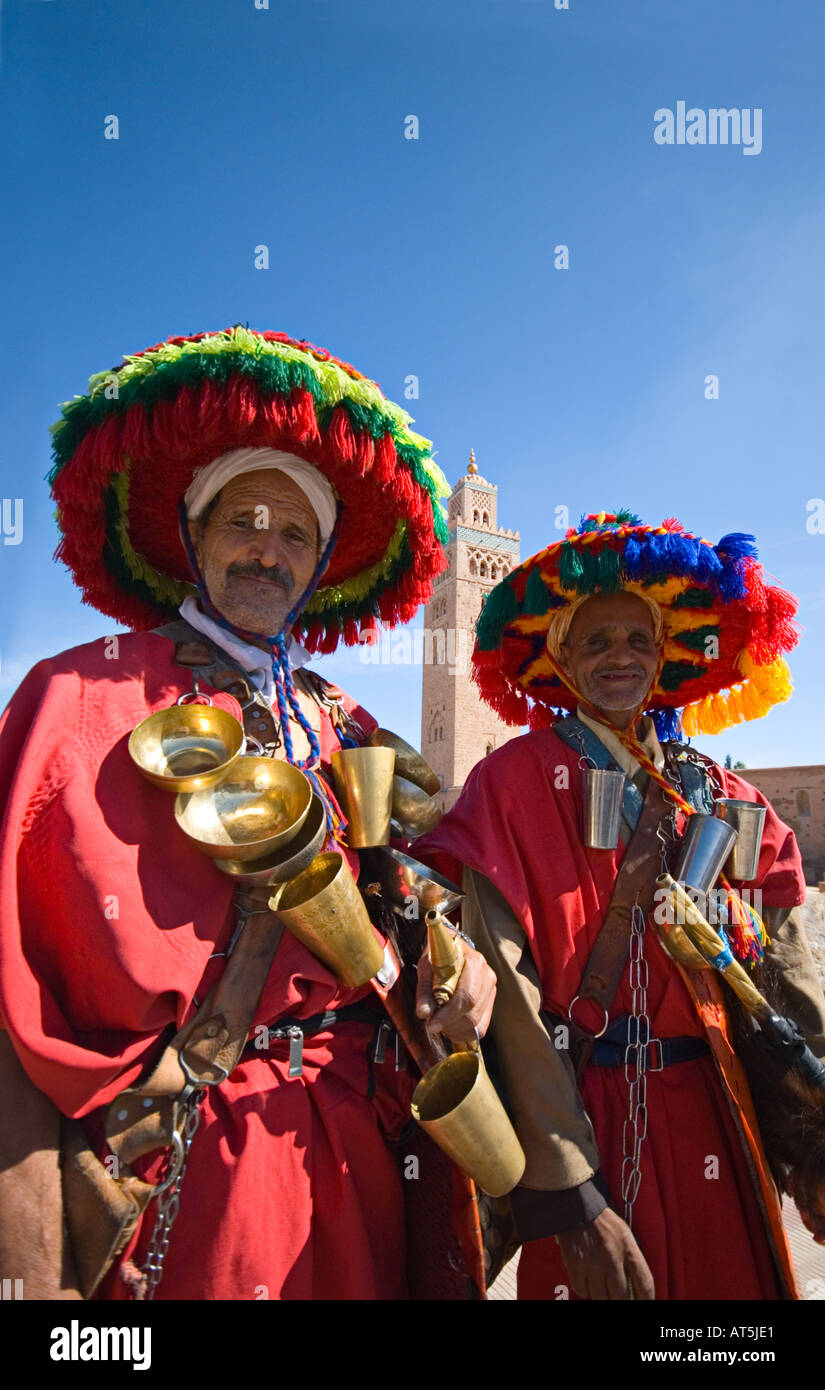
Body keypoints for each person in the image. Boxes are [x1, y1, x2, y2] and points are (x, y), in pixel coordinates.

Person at [0, 326, 496, 1302]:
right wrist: (27, 1262)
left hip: (360, 1170)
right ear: (191, 536)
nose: (268, 548)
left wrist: (462, 971)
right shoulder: (73, 698)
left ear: (319, 564)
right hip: (184, 1183)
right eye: (244, 520)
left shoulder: (353, 727)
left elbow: (413, 919)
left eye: (295, 533)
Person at [417, 509, 825, 1301]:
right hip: (584, 1112)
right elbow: (508, 991)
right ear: (560, 659)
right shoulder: (513, 783)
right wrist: (566, 1186)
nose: (620, 658)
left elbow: (786, 968)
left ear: (665, 656)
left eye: (638, 640)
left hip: (718, 1109)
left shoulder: (720, 791)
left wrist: (810, 1140)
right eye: (595, 641)